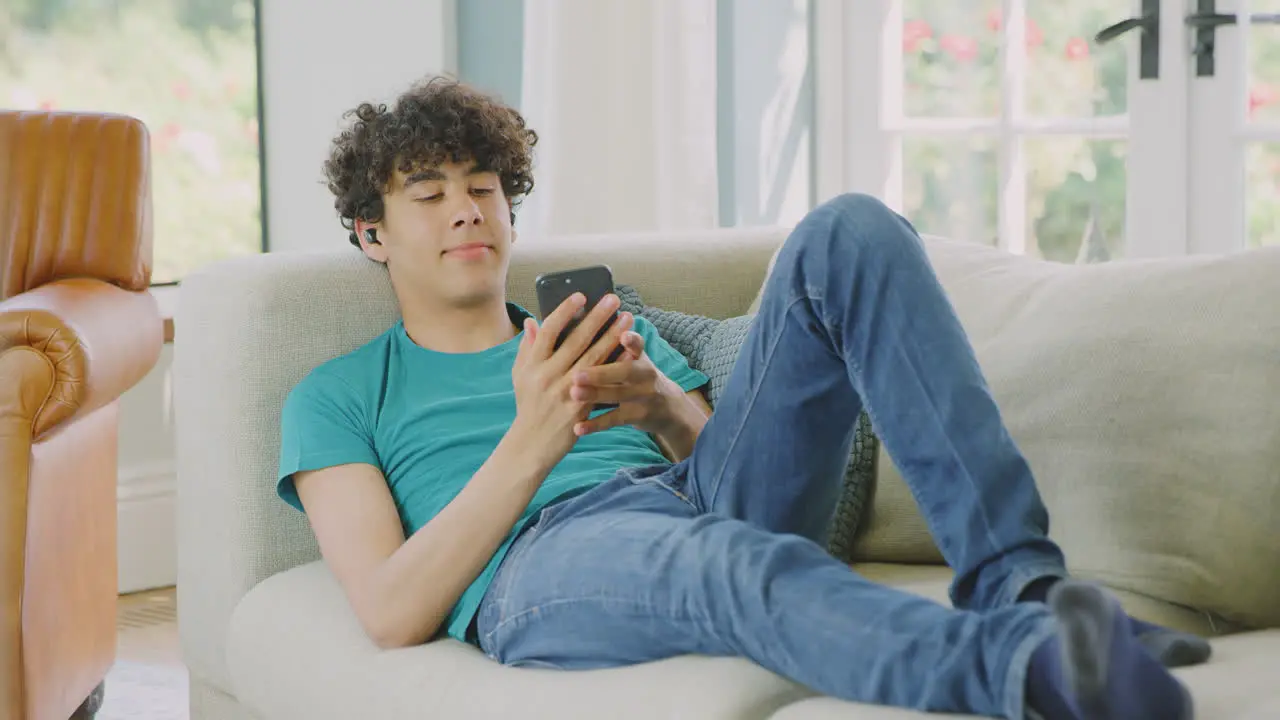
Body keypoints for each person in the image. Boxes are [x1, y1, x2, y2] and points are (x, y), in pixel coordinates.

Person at [277, 76, 1207, 720]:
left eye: (482, 187)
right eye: (429, 195)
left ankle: (1023, 586)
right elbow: (392, 611)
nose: (467, 209)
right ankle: (1043, 673)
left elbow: (726, 473)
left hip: (687, 496)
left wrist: (657, 407)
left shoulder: (586, 328)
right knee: (720, 559)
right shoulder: (339, 394)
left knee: (850, 227)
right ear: (371, 234)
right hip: (547, 557)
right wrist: (534, 437)